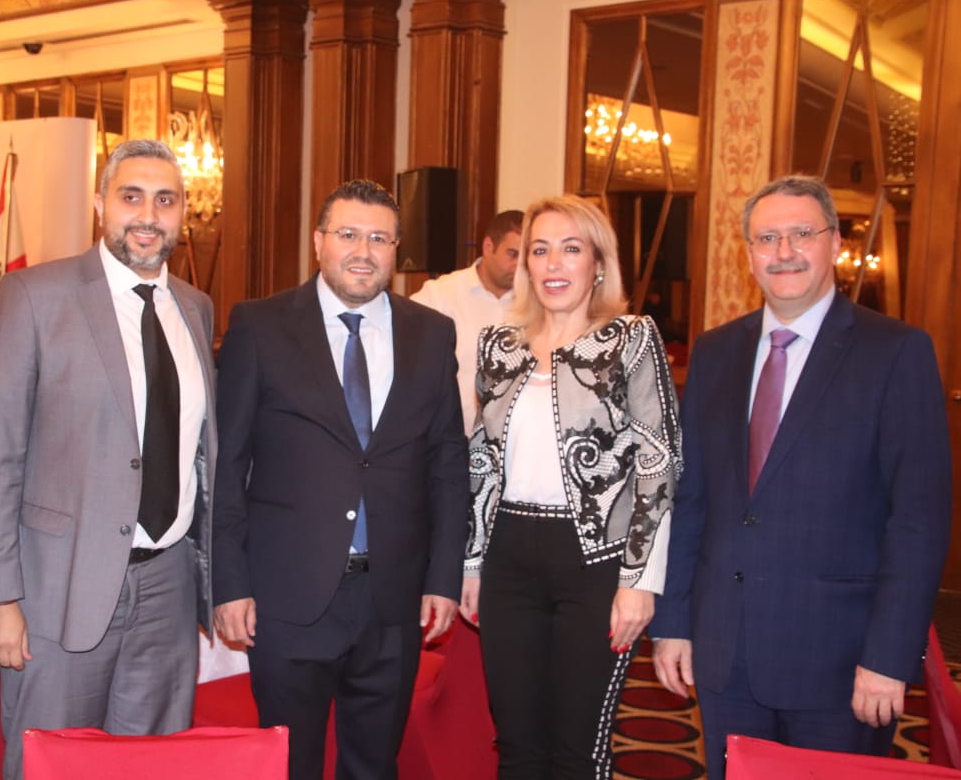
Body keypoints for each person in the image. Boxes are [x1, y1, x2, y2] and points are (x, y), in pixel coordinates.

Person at [650, 175, 952, 780]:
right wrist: (673, 624)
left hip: (842, 662)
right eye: (767, 238)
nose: (783, 251)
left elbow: (918, 521)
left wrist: (889, 656)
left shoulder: (896, 352)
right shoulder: (715, 351)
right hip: (726, 651)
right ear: (749, 254)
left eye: (801, 234)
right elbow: (691, 499)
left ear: (835, 242)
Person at [0, 139, 216, 780]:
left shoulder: (194, 307)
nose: (148, 215)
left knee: (150, 767)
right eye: (131, 196)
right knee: (53, 762)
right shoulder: (34, 296)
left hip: (167, 586)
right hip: (60, 585)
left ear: (182, 212)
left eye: (165, 200)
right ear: (101, 204)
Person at [213, 179, 469, 780]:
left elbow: (447, 464)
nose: (363, 251)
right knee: (290, 765)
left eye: (379, 238)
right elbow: (227, 464)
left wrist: (444, 578)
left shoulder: (432, 333)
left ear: (396, 249)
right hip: (286, 597)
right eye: (348, 234)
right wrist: (228, 583)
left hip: (393, 599)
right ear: (318, 241)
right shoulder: (260, 326)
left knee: (374, 765)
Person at [462, 195, 682, 779]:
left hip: (597, 563)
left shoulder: (631, 339)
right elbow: (481, 461)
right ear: (526, 266)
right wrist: (472, 563)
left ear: (598, 263)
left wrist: (640, 581)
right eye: (540, 250)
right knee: (517, 745)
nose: (554, 264)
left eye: (571, 248)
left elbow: (659, 463)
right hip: (508, 557)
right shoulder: (498, 345)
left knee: (578, 752)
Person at [411, 209, 523, 434]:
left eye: (527, 256)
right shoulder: (440, 295)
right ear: (488, 247)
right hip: (453, 438)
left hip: (514, 440)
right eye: (512, 254)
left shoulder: (537, 302)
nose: (519, 266)